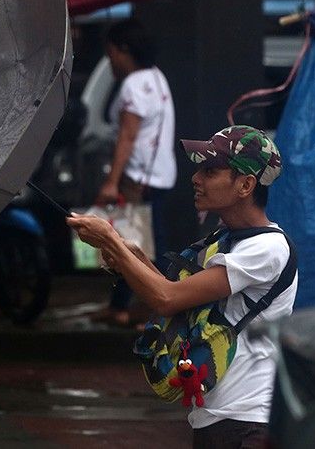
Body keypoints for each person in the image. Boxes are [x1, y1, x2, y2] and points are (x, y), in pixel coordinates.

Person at [68, 125, 297, 448]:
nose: (196, 178)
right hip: (217, 418)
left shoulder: (268, 249)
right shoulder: (224, 240)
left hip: (247, 422)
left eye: (211, 171)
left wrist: (109, 239)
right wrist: (128, 254)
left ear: (246, 185)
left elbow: (166, 298)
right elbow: (175, 296)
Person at [95, 19, 176, 327]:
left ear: (123, 50)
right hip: (160, 174)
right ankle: (119, 307)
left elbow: (127, 135)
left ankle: (166, 311)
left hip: (139, 178)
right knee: (135, 241)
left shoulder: (133, 85)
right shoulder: (156, 77)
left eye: (111, 52)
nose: (110, 60)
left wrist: (112, 180)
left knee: (139, 247)